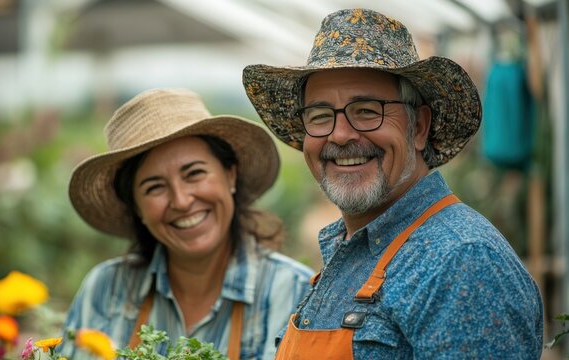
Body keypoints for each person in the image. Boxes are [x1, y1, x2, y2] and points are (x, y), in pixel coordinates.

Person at [242, 8, 544, 359]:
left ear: (418, 128)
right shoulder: (357, 248)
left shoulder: (462, 262)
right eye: (321, 116)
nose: (340, 135)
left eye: (368, 110)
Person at [60, 88, 314, 359]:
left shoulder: (295, 295)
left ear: (230, 175)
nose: (181, 201)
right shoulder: (105, 289)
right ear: (136, 207)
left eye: (194, 173)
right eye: (155, 187)